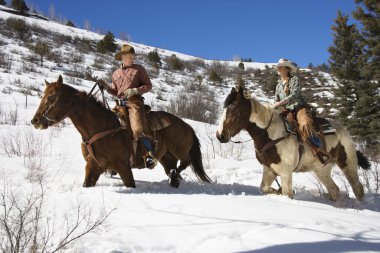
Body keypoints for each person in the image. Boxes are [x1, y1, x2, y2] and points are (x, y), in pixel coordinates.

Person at [99, 44, 157, 169]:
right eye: (130, 56)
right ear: (123, 57)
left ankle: (149, 155)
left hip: (134, 102)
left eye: (133, 56)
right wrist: (106, 87)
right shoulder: (115, 74)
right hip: (120, 104)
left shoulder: (139, 69)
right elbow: (116, 92)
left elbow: (149, 86)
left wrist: (135, 91)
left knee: (137, 127)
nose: (132, 58)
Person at [270, 58, 330, 165]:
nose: (278, 69)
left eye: (280, 67)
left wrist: (279, 103)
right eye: (278, 67)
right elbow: (276, 99)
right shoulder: (278, 85)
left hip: (299, 107)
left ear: (287, 69)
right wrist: (272, 108)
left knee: (304, 124)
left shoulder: (294, 80)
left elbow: (295, 95)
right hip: (285, 110)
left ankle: (319, 149)